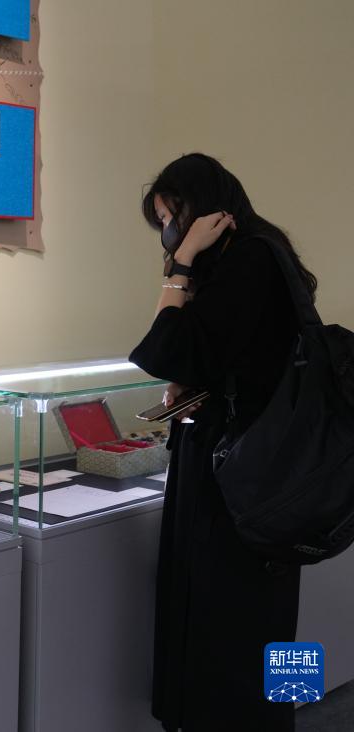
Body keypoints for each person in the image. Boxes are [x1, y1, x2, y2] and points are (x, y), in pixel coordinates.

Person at [129, 153, 319, 732]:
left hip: (238, 473)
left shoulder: (249, 260)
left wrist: (180, 264)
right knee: (269, 619)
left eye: (172, 217)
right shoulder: (267, 253)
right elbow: (223, 358)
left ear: (204, 209)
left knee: (231, 627)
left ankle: (264, 721)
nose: (168, 231)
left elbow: (164, 350)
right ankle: (282, 716)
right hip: (267, 466)